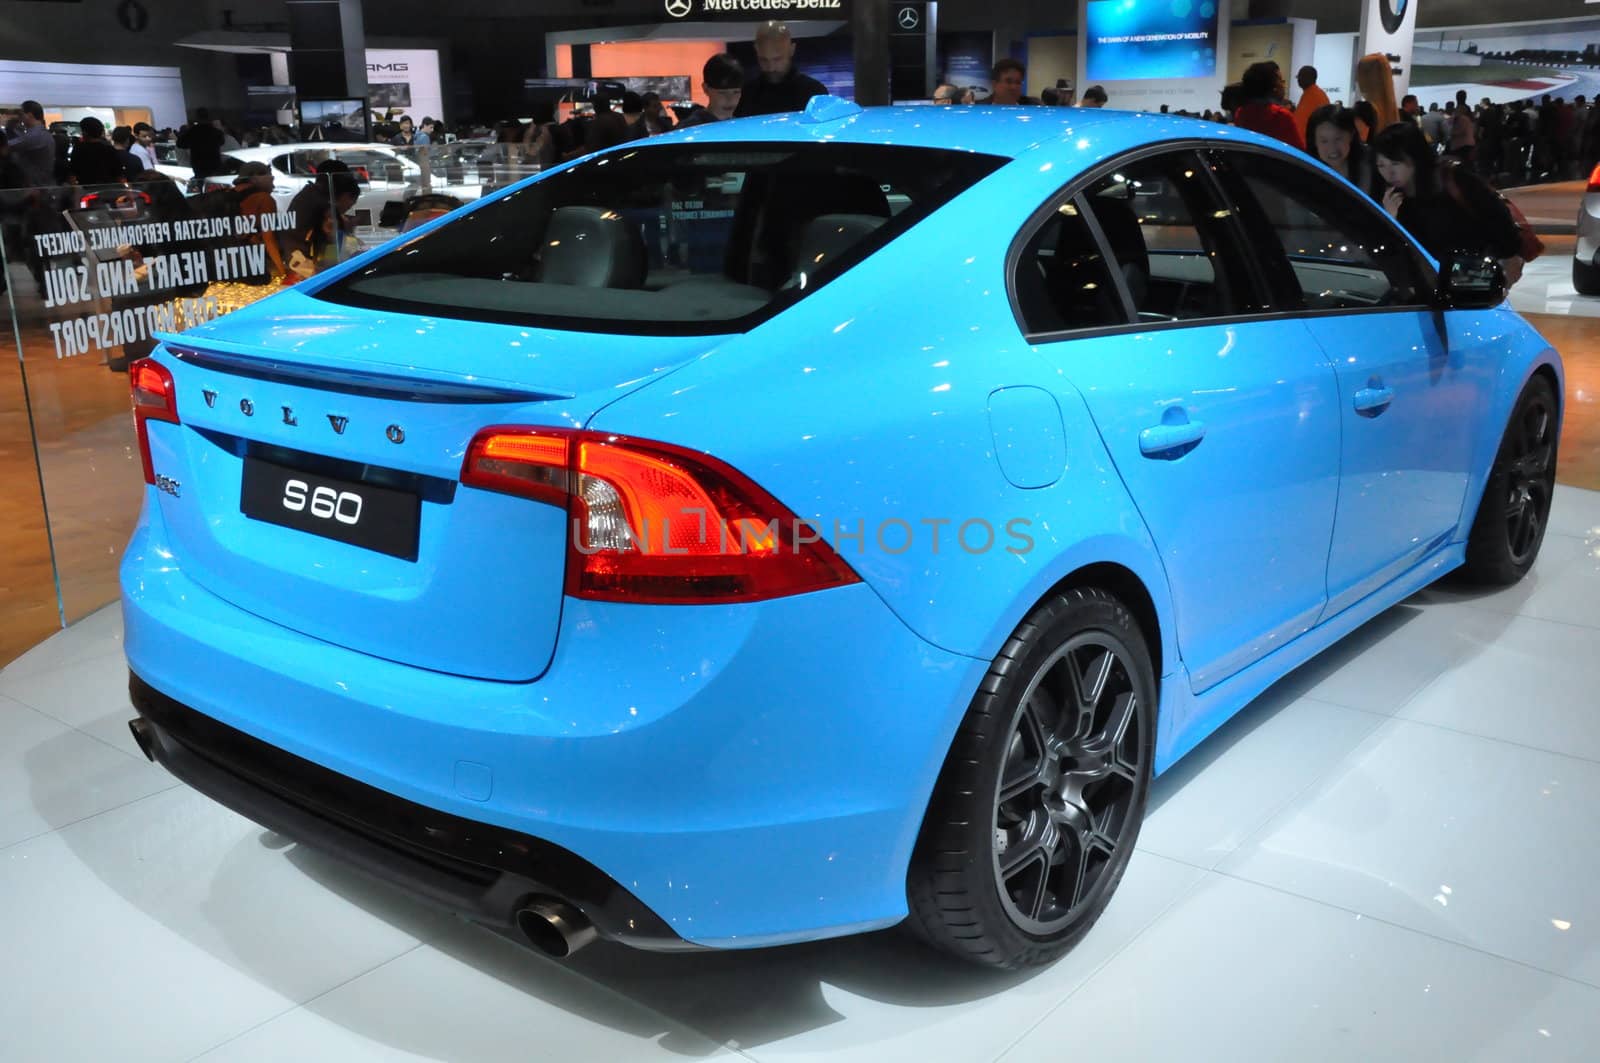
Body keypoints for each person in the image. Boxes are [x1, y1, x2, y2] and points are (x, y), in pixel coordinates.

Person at [1372, 121, 1522, 281]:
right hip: (1432, 283)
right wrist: (1392, 219)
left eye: (1396, 163)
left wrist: (1508, 259)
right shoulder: (1391, 198)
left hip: (1474, 277)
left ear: (1415, 158)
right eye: (1381, 165)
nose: (1389, 173)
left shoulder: (1453, 180)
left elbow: (1499, 218)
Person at [735, 21, 828, 117]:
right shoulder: (747, 93)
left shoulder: (814, 92)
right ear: (756, 50)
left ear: (792, 50)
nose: (771, 68)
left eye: (777, 59)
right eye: (763, 60)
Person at [1233, 62, 1303, 150]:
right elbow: (1300, 153)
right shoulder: (1282, 117)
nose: (1283, 85)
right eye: (1280, 81)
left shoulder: (1240, 113)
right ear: (1273, 87)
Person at [1306, 105, 1373, 193]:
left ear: (1351, 135)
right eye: (1324, 141)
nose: (1332, 148)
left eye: (1338, 139)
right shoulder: (1305, 172)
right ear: (1314, 142)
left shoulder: (1372, 165)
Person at [679, 53, 746, 128]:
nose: (730, 99)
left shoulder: (741, 127)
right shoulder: (689, 129)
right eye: (722, 93)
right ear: (706, 89)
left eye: (736, 92)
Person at [7, 100, 57, 188]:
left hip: (35, 187)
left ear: (29, 115)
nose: (20, 118)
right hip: (40, 185)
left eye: (21, 114)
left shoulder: (35, 135)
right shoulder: (43, 134)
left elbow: (8, 146)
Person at [67, 117, 125, 186]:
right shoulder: (109, 149)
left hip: (86, 190)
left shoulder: (79, 149)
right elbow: (119, 174)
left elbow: (72, 174)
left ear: (85, 132)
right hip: (108, 189)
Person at [178, 108, 226, 179]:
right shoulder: (216, 132)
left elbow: (180, 144)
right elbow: (222, 142)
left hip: (199, 164)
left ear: (197, 117)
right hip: (214, 163)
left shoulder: (192, 132)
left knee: (201, 183)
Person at [1293, 65, 1330, 142]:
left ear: (1308, 77)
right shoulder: (1310, 93)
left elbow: (1303, 123)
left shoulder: (1315, 95)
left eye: (1300, 77)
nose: (1298, 80)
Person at [1448, 89, 1477, 165]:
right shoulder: (1467, 109)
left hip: (1460, 144)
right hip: (1467, 141)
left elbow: (1454, 127)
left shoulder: (1458, 110)